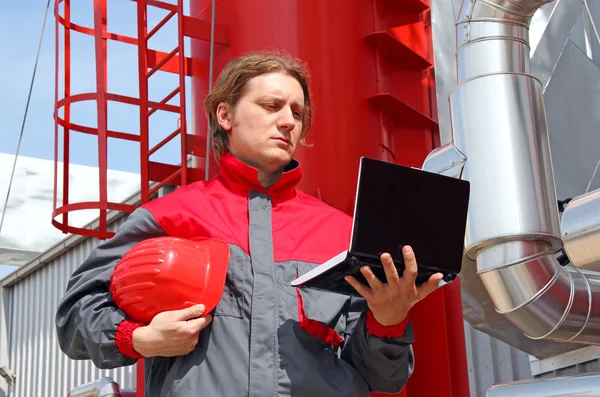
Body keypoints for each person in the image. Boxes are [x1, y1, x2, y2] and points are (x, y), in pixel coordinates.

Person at [56, 51, 443, 397]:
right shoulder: (170, 215)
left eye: (297, 111)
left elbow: (383, 378)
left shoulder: (342, 233)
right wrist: (139, 338)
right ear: (225, 115)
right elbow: (75, 317)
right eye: (271, 105)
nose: (288, 121)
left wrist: (389, 321)